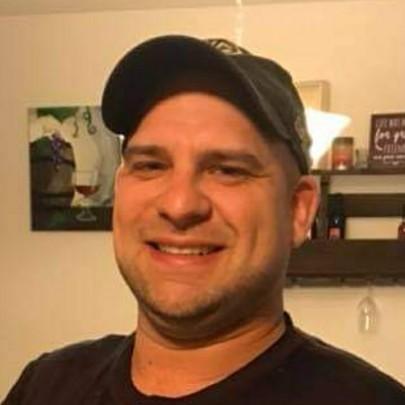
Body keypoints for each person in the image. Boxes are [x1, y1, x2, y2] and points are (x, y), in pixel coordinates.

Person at [4, 35, 405, 405]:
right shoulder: (46, 386)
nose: (180, 205)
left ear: (298, 210)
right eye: (151, 165)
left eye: (228, 170)